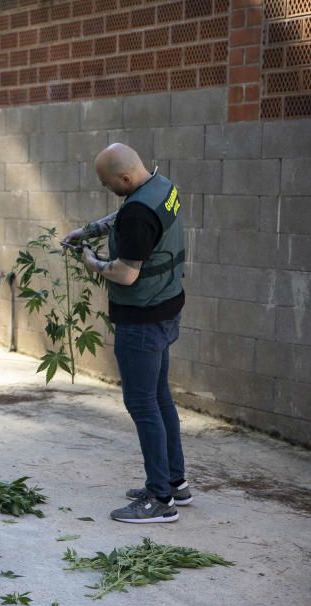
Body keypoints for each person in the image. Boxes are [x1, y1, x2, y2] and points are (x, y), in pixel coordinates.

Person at [62, 143, 190, 524]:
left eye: (108, 183)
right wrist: (89, 230)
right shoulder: (160, 186)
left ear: (125, 178)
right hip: (167, 308)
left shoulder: (137, 210)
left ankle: (159, 499)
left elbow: (126, 272)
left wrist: (91, 261)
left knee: (142, 404)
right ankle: (174, 481)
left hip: (142, 319)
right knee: (159, 397)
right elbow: (125, 217)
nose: (107, 190)